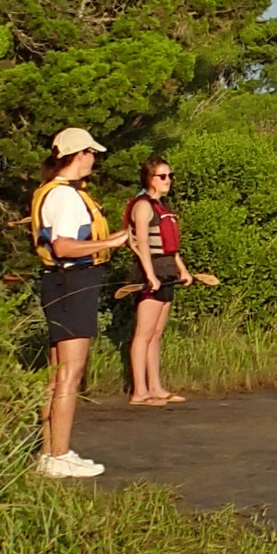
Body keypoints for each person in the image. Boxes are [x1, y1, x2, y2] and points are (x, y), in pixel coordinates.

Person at [30, 127, 130, 478]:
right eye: (91, 153)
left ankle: (52, 451)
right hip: (73, 281)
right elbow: (64, 246)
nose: (93, 159)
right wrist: (112, 243)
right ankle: (57, 456)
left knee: (57, 373)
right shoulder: (67, 198)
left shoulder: (53, 193)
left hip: (58, 282)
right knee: (69, 374)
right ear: (78, 154)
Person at [123, 156, 193, 405]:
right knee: (143, 333)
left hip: (166, 270)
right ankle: (139, 391)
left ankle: (156, 387)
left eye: (170, 176)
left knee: (156, 333)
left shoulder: (164, 206)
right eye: (162, 176)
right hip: (149, 271)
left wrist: (182, 270)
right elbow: (141, 242)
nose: (168, 180)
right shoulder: (142, 205)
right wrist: (150, 275)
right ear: (149, 178)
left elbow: (171, 247)